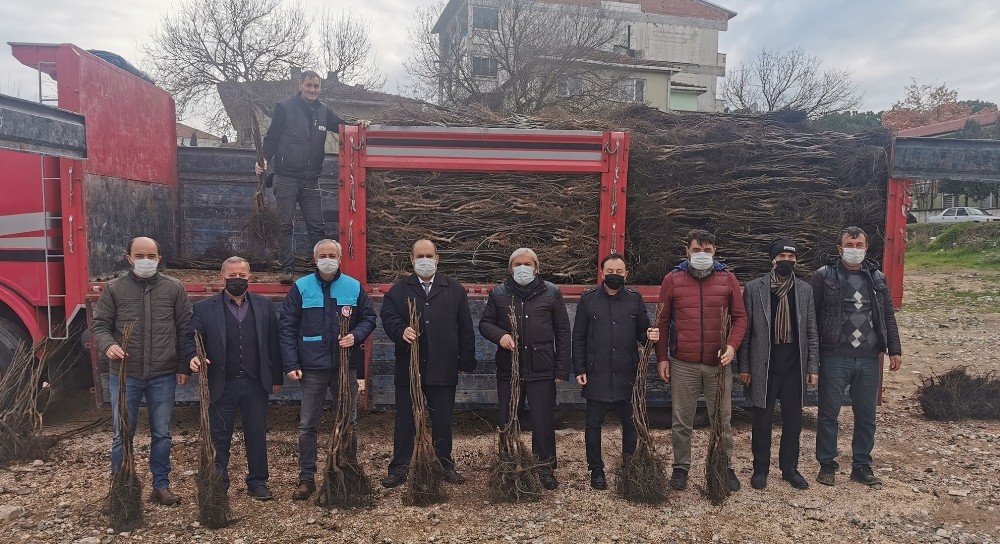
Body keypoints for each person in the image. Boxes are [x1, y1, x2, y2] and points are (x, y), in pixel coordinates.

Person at [92, 236, 191, 506]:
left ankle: (161, 485)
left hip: (163, 374)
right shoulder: (114, 289)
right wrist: (109, 345)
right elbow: (100, 325)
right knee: (122, 433)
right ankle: (120, 488)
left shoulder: (174, 288)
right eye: (139, 256)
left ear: (159, 259)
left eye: (151, 256)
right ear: (128, 258)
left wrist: (183, 366)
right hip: (125, 375)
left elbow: (184, 329)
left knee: (162, 433)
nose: (145, 261)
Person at [279, 239, 378, 500]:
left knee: (348, 421)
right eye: (322, 255)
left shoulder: (353, 286)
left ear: (340, 258)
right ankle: (306, 478)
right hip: (311, 368)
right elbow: (287, 326)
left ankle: (347, 470)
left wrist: (356, 335)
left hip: (344, 367)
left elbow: (369, 318)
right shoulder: (301, 287)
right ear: (315, 259)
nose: (327, 260)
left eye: (332, 255)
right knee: (307, 425)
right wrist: (291, 363)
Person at [654, 229, 747, 493]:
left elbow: (740, 318)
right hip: (684, 363)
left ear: (715, 251)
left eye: (707, 250)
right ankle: (680, 467)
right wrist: (662, 357)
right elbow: (662, 321)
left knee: (722, 419)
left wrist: (732, 346)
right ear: (687, 251)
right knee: (682, 420)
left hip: (718, 363)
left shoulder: (727, 278)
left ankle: (724, 466)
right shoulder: (673, 279)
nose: (702, 254)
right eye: (697, 250)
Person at [379, 239, 477, 488]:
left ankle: (444, 464)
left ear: (437, 258)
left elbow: (465, 326)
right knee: (405, 419)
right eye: (420, 256)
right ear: (412, 259)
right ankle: (400, 467)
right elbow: (388, 316)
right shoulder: (399, 290)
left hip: (444, 365)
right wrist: (400, 330)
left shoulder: (453, 289)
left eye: (429, 255)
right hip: (409, 367)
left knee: (442, 419)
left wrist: (465, 359)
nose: (425, 260)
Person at [810, 226, 902, 487]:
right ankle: (827, 464)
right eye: (849, 245)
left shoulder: (877, 278)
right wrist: (812, 357)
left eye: (859, 245)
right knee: (829, 413)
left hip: (869, 358)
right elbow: (811, 317)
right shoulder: (824, 276)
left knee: (866, 414)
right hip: (834, 356)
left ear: (866, 248)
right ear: (839, 249)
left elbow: (887, 315)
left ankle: (861, 466)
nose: (854, 250)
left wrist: (894, 349)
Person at [186, 257, 283, 500]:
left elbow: (274, 342)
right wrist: (193, 356)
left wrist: (276, 378)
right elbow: (191, 337)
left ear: (250, 277)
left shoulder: (264, 305)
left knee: (257, 434)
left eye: (242, 276)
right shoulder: (204, 308)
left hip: (255, 382)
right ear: (222, 277)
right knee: (219, 436)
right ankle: (218, 482)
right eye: (232, 276)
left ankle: (258, 482)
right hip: (221, 382)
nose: (237, 280)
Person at [479, 247, 571, 490]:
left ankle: (544, 467)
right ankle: (509, 465)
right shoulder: (499, 293)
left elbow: (563, 332)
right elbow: (485, 323)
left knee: (543, 421)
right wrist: (500, 336)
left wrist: (561, 369)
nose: (522, 268)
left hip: (542, 369)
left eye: (527, 264)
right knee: (508, 419)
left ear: (536, 268)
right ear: (510, 268)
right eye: (517, 264)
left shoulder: (551, 292)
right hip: (509, 370)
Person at [572, 253, 659, 490]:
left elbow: (643, 333)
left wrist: (651, 335)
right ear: (602, 273)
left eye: (619, 272)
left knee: (630, 423)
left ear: (626, 274)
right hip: (596, 372)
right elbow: (578, 337)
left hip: (626, 373)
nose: (614, 275)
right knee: (593, 424)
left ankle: (628, 467)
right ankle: (596, 470)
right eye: (610, 271)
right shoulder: (588, 300)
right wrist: (579, 367)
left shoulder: (634, 300)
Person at [737, 239, 818, 490]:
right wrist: (744, 367)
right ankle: (760, 470)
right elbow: (746, 332)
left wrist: (813, 367)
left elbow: (811, 331)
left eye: (791, 257)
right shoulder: (755, 289)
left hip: (794, 367)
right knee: (761, 422)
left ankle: (789, 469)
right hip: (764, 367)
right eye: (782, 256)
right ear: (773, 259)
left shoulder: (805, 290)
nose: (787, 261)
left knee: (793, 423)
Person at [256, 70, 346, 285]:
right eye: (308, 85)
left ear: (320, 88)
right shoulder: (284, 107)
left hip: (311, 178)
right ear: (300, 86)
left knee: (316, 226)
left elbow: (343, 125)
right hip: (286, 176)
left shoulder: (324, 111)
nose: (312, 89)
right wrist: (264, 159)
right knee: (285, 225)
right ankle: (287, 269)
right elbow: (272, 137)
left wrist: (360, 124)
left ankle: (322, 270)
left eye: (316, 86)